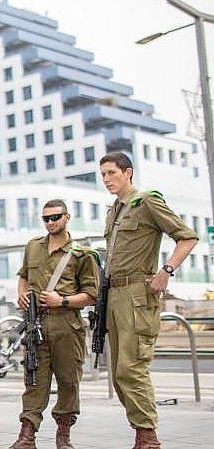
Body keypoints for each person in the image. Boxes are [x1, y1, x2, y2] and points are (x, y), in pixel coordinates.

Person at [99, 152, 198, 449]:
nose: (106, 179)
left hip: (137, 296)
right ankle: (141, 433)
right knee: (118, 373)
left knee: (132, 369)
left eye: (112, 173)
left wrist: (165, 271)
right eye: (102, 174)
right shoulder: (114, 210)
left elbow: (188, 237)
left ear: (127, 172)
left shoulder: (147, 201)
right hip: (113, 295)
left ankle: (148, 438)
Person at [8, 200, 100, 449]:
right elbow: (24, 276)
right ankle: (27, 435)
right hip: (35, 324)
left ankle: (63, 436)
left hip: (67, 325)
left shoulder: (82, 254)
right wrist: (22, 294)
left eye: (55, 217)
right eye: (46, 218)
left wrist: (64, 300)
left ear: (67, 217)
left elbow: (92, 294)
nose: (50, 222)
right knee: (34, 380)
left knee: (69, 382)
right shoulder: (33, 247)